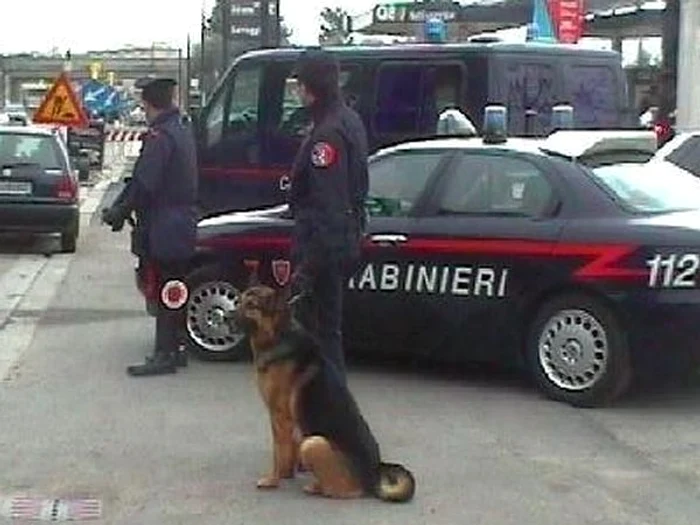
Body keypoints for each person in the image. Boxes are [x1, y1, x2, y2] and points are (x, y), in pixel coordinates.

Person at [101, 76, 199, 377]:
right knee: (177, 285)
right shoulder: (181, 131)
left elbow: (144, 183)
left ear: (148, 104)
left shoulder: (160, 137)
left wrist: (118, 212)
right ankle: (178, 348)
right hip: (183, 221)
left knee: (163, 287)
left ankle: (164, 353)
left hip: (164, 224)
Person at [287, 48, 370, 381]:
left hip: (322, 249)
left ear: (311, 86)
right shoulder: (347, 119)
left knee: (319, 338)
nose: (297, 90)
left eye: (300, 83)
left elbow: (329, 206)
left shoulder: (328, 134)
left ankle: (329, 412)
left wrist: (307, 269)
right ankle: (329, 410)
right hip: (338, 242)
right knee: (326, 335)